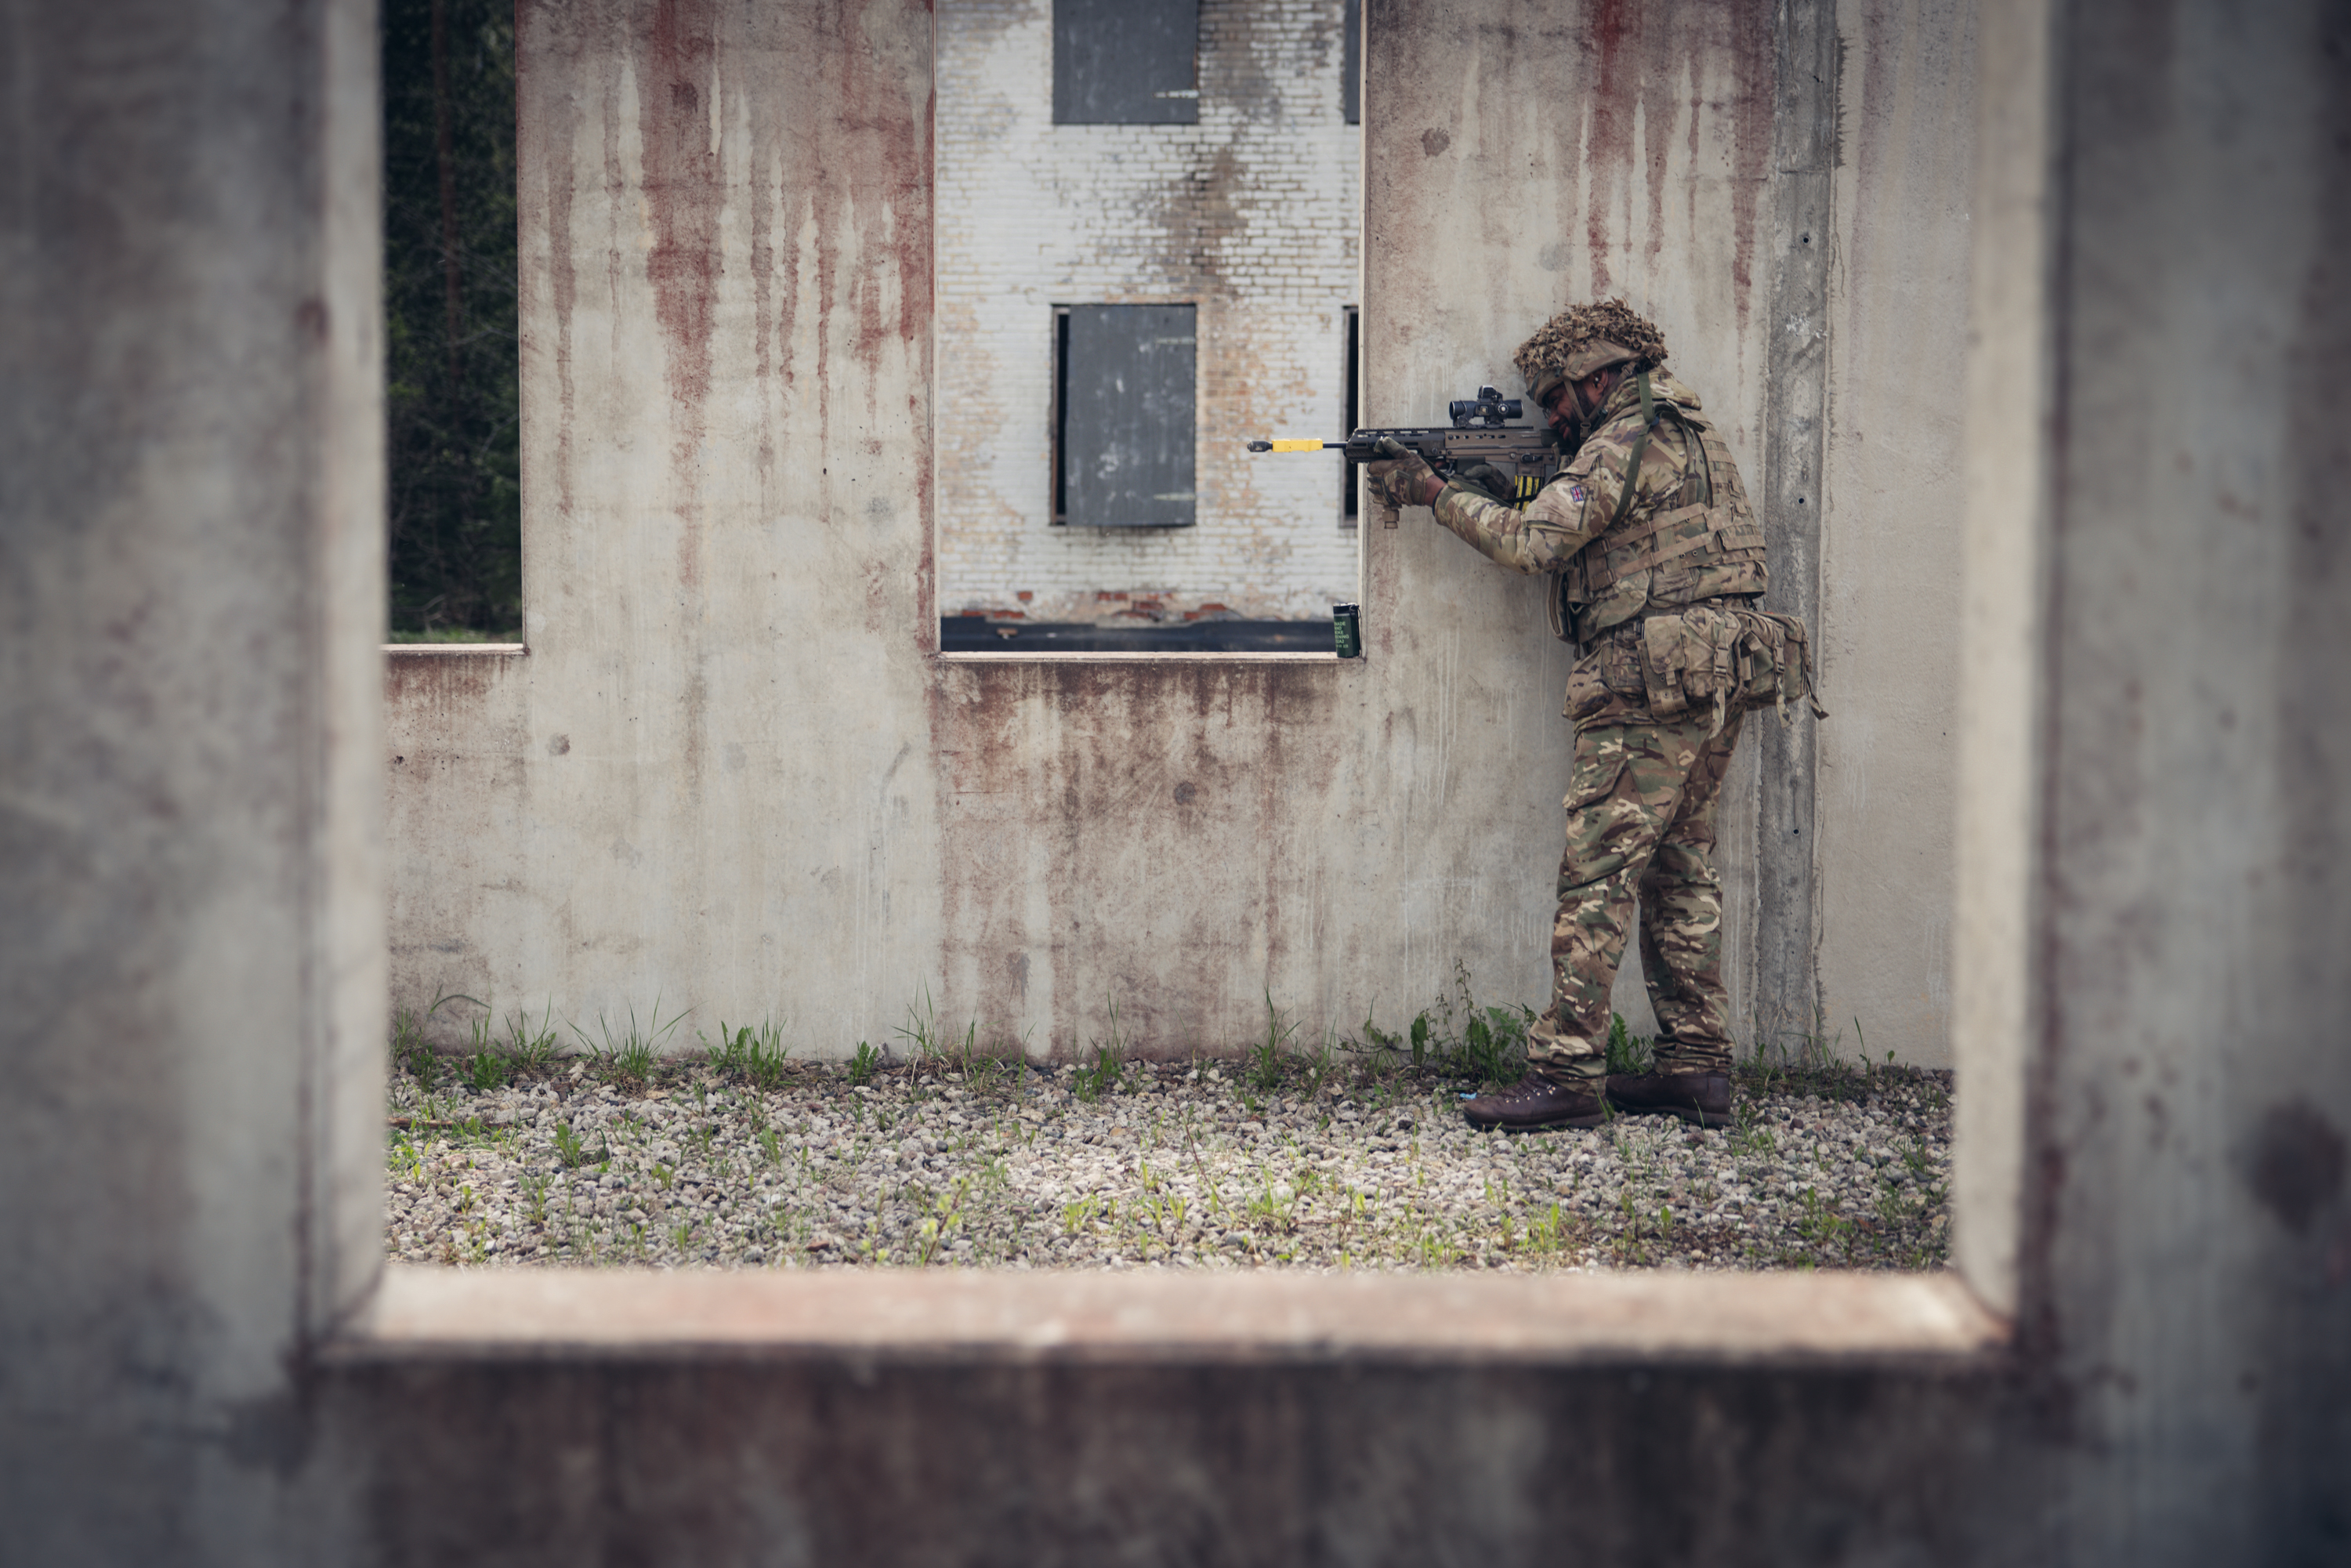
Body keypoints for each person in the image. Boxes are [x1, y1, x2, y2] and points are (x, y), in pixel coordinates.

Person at [1367, 300, 1817, 1132]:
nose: (1550, 417)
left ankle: (1567, 1072)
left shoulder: (1623, 438)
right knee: (1680, 869)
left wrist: (1435, 492)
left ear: (1597, 377)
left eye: (1554, 398)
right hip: (1716, 672)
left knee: (1599, 877)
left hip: (1649, 680)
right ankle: (1696, 1066)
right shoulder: (1685, 430)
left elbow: (1535, 544)